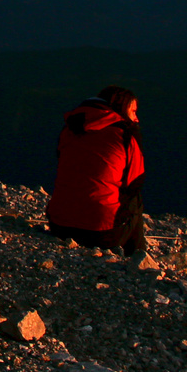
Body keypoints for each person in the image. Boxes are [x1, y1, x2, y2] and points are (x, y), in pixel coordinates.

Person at [46, 85, 147, 252]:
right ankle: (137, 259)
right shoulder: (125, 134)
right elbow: (135, 183)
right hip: (102, 233)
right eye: (134, 111)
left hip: (58, 226)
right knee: (135, 201)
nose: (136, 119)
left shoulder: (70, 129)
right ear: (121, 109)